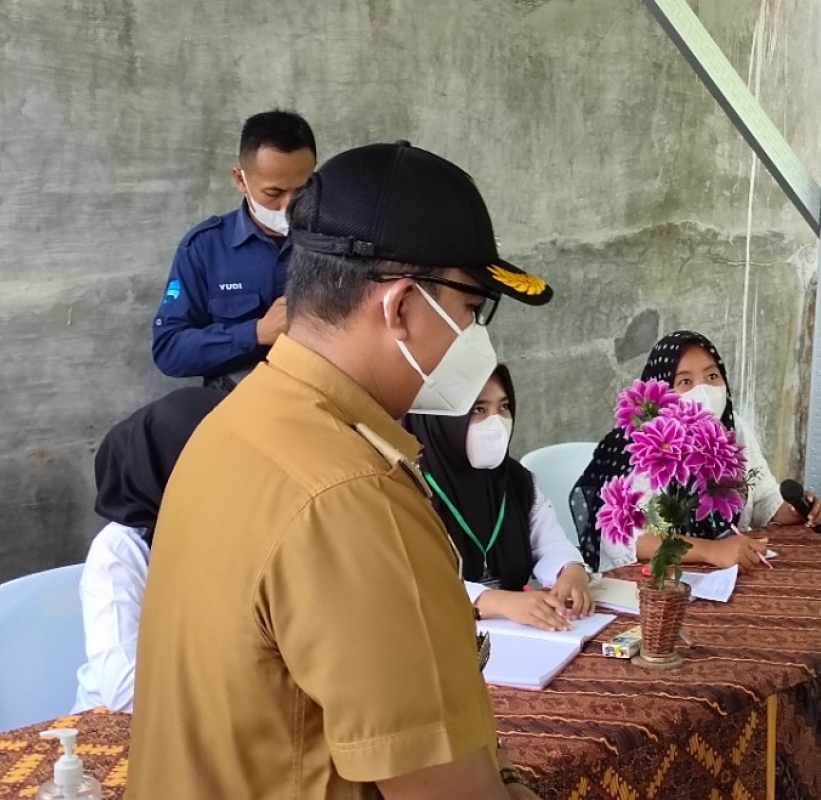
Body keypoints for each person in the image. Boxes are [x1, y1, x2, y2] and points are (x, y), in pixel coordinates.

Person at [128, 141, 552, 799]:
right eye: (472, 312)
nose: (477, 341)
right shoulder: (352, 495)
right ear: (402, 307)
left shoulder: (235, 427)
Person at [572, 330, 821, 573]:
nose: (703, 389)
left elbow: (763, 499)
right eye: (685, 381)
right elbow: (627, 538)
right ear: (661, 391)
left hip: (724, 576)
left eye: (712, 376)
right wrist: (711, 551)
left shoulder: (733, 426)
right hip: (652, 583)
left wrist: (794, 507)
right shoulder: (641, 442)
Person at [72, 387, 226, 714]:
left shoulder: (240, 531)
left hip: (219, 719)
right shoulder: (119, 552)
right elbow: (125, 690)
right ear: (163, 471)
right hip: (122, 729)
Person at [406, 365, 593, 633]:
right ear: (440, 419)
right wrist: (495, 601)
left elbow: (549, 543)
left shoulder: (516, 481)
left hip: (517, 632)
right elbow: (414, 578)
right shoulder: (409, 488)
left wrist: (570, 571)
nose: (496, 422)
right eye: (478, 410)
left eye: (503, 407)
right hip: (439, 635)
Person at [152, 109, 317, 389]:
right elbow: (169, 349)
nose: (289, 206)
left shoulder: (338, 238)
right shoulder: (205, 248)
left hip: (321, 401)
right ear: (241, 180)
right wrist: (255, 333)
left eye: (302, 190)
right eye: (274, 193)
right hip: (234, 403)